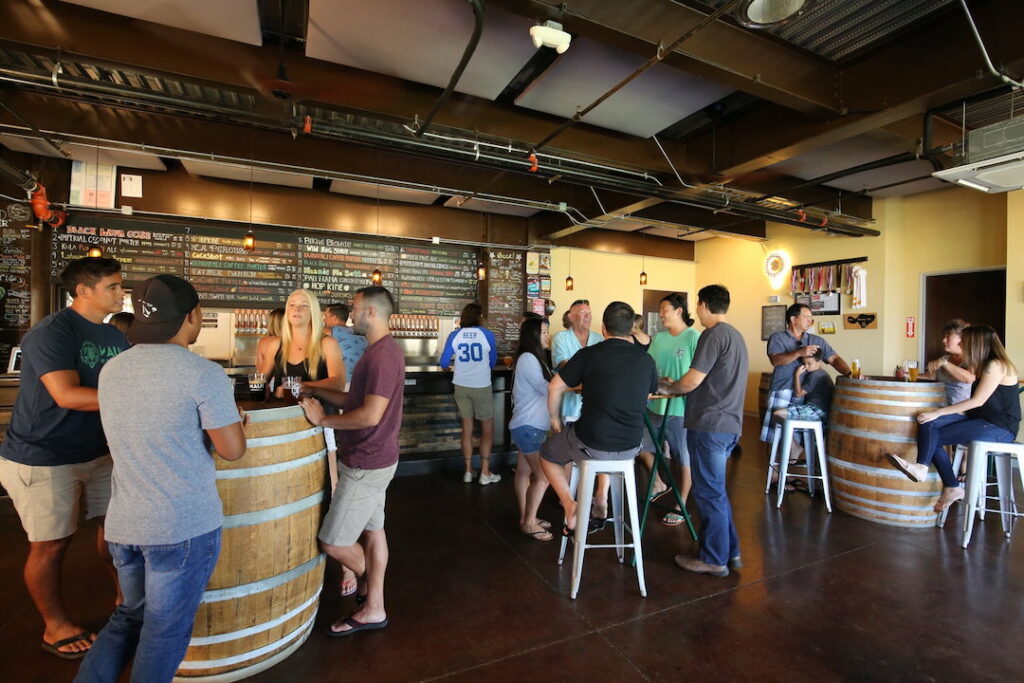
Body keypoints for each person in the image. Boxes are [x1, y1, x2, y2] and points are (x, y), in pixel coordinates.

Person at [74, 275, 246, 683]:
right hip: (180, 528)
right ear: (192, 316)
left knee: (127, 617)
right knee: (163, 631)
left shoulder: (113, 369)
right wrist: (237, 424)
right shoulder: (203, 374)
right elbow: (232, 450)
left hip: (124, 525)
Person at [0, 257, 128, 659]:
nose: (121, 293)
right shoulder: (52, 332)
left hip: (99, 453)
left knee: (122, 532)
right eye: (113, 287)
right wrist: (140, 402)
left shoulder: (113, 335)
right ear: (84, 291)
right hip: (44, 455)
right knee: (51, 546)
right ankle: (55, 625)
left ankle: (127, 603)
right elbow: (67, 395)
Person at [298, 286, 404, 636]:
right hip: (374, 458)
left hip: (366, 462)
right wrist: (315, 389)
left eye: (356, 309)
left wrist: (323, 420)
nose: (351, 315)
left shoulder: (384, 355)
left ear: (372, 312)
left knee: (333, 541)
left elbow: (370, 415)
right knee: (374, 532)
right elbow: (353, 398)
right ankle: (374, 606)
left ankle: (373, 596)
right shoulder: (377, 352)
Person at [539, 302, 658, 535]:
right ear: (631, 329)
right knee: (602, 439)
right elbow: (647, 394)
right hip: (631, 447)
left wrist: (554, 420)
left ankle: (570, 505)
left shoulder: (589, 354)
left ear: (603, 328)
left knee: (548, 454)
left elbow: (554, 387)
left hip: (592, 442)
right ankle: (600, 498)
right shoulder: (646, 361)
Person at [658, 285, 748, 577]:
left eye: (698, 304)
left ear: (704, 305)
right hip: (729, 424)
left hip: (710, 425)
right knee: (716, 492)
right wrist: (679, 383)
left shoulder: (712, 335)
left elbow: (693, 381)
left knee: (708, 493)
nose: (697, 310)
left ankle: (713, 559)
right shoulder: (735, 335)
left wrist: (670, 387)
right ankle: (730, 551)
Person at [887, 325, 1020, 512]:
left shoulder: (996, 365)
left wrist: (940, 412)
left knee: (932, 435)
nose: (962, 345)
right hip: (981, 420)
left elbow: (978, 400)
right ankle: (932, 474)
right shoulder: (982, 365)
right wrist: (936, 414)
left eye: (964, 342)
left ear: (976, 344)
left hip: (999, 427)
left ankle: (944, 482)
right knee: (927, 422)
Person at [638, 293, 699, 525]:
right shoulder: (659, 338)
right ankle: (658, 483)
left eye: (664, 309)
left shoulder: (694, 337)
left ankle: (681, 504)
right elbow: (649, 368)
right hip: (654, 404)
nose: (661, 314)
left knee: (682, 458)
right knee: (639, 445)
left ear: (678, 311)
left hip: (680, 409)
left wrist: (678, 382)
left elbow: (698, 375)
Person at [762, 303, 851, 449]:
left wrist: (849, 373)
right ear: (793, 319)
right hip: (783, 388)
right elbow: (775, 360)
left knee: (799, 434)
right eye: (806, 317)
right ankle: (777, 468)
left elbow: (834, 359)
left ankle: (795, 458)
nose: (810, 320)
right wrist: (798, 352)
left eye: (811, 317)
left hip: (806, 393)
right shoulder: (777, 337)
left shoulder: (817, 340)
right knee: (777, 433)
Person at [551, 298, 608, 517]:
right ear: (571, 316)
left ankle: (594, 497)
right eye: (583, 313)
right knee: (570, 453)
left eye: (589, 313)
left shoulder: (598, 338)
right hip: (571, 405)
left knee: (595, 452)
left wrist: (585, 377)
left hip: (595, 405)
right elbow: (565, 367)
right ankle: (568, 497)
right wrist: (592, 376)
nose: (588, 316)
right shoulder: (561, 338)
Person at [440, 303, 500, 485]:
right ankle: (485, 472)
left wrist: (449, 367)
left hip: (461, 385)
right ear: (480, 316)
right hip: (481, 385)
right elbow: (493, 361)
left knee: (467, 428)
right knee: (487, 428)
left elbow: (443, 361)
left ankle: (467, 471)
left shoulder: (454, 335)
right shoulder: (487, 334)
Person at [509, 316, 553, 542]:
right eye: (544, 332)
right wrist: (570, 383)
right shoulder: (528, 359)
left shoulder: (533, 358)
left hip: (527, 426)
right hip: (529, 427)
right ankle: (528, 522)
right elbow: (545, 387)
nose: (548, 336)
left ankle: (528, 516)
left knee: (524, 471)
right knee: (544, 476)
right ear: (533, 336)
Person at [257, 290, 345, 398]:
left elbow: (338, 383)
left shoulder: (327, 343)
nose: (296, 309)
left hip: (319, 413)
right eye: (292, 305)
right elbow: (261, 381)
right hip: (284, 413)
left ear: (313, 312)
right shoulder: (276, 345)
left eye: (304, 305)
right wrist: (261, 389)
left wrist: (299, 386)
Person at [919, 318, 975, 405]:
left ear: (962, 339)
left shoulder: (971, 359)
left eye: (948, 336)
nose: (943, 340)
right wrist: (907, 374)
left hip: (957, 412)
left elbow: (968, 378)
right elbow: (930, 377)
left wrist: (944, 363)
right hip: (939, 408)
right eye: (944, 336)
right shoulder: (945, 358)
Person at [325, 303, 368, 377]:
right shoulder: (360, 334)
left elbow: (312, 331)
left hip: (343, 380)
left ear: (334, 318)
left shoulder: (334, 331)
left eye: (326, 316)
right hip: (360, 379)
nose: (324, 319)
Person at [255, 307, 285, 373]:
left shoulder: (263, 341)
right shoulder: (292, 341)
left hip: (268, 381)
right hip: (288, 381)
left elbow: (260, 368)